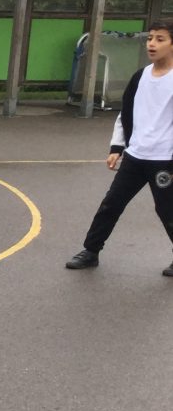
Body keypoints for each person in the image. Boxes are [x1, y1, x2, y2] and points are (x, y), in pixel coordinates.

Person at [65, 20, 173, 276]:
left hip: (164, 159)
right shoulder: (140, 77)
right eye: (150, 38)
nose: (152, 44)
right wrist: (117, 146)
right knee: (111, 204)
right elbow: (126, 113)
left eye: (160, 39)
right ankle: (91, 251)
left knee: (167, 210)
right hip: (135, 156)